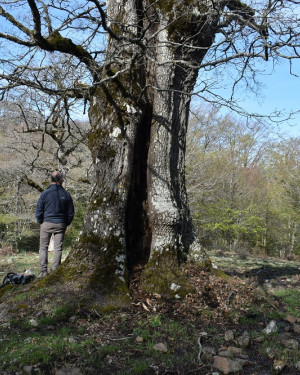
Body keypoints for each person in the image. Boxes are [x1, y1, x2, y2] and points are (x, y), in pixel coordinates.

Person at [35, 171, 74, 278]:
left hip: (46, 223)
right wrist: (66, 223)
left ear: (51, 180)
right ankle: (55, 270)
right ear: (61, 180)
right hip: (61, 224)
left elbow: (38, 211)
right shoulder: (66, 194)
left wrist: (41, 221)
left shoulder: (45, 193)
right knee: (58, 248)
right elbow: (70, 212)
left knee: (43, 247)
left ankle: (43, 272)